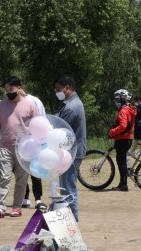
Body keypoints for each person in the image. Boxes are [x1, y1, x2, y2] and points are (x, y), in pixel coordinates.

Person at [0, 76, 39, 218]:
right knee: (4, 177)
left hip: (24, 148)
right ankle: (0, 207)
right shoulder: (0, 105)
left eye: (11, 89)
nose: (9, 92)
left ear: (19, 88)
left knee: (21, 179)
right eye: (6, 90)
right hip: (4, 147)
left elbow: (37, 125)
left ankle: (17, 207)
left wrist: (36, 145)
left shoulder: (30, 104)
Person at [54, 75, 86, 222]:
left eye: (58, 89)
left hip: (71, 154)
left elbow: (59, 128)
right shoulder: (71, 104)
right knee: (66, 188)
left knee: (68, 190)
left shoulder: (72, 107)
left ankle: (73, 222)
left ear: (67, 87)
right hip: (69, 153)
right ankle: (70, 221)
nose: (57, 92)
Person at [22, 87, 47, 211]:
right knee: (22, 171)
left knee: (35, 170)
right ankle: (24, 197)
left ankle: (38, 198)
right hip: (21, 142)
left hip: (35, 140)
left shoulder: (34, 100)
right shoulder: (12, 103)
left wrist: (42, 139)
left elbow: (42, 119)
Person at [108, 89, 137, 192]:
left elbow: (123, 125)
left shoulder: (123, 110)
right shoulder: (128, 109)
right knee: (121, 161)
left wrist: (112, 132)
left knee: (121, 162)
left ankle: (123, 185)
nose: (115, 101)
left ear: (122, 99)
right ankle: (122, 184)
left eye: (117, 99)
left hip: (123, 139)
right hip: (126, 138)